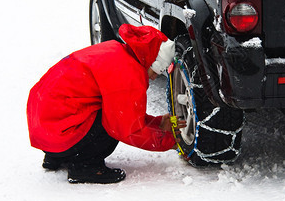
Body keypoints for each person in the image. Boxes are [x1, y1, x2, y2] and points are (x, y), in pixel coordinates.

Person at [27, 24, 186, 184]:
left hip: (46, 127)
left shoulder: (116, 51)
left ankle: (56, 156)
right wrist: (170, 141)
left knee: (110, 112)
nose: (154, 77)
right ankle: (84, 167)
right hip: (60, 132)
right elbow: (127, 128)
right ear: (153, 61)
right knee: (112, 125)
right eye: (159, 70)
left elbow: (126, 110)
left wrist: (157, 123)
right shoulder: (129, 73)